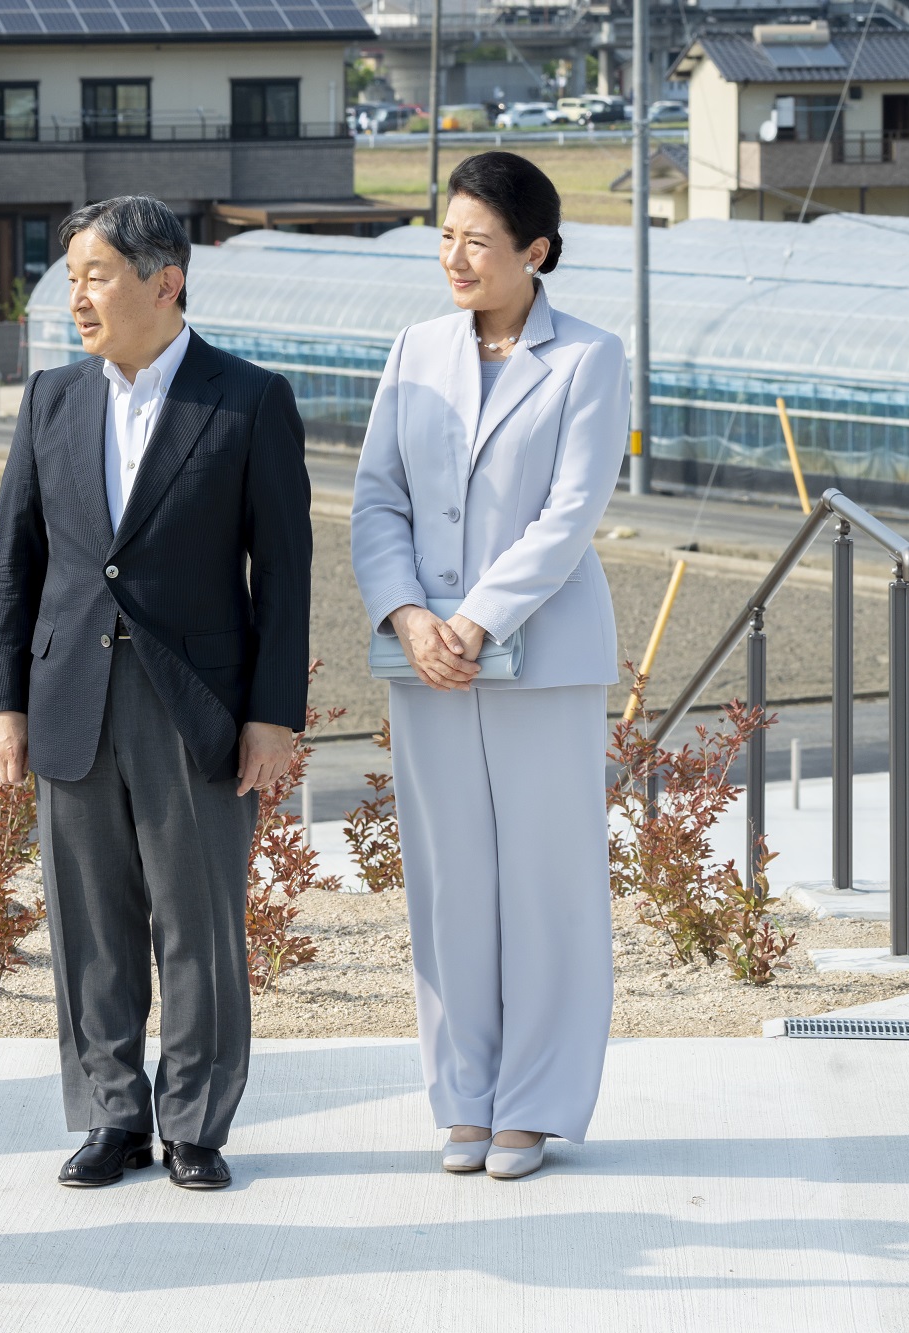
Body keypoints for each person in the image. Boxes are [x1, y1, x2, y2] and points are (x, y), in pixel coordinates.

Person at [0, 195, 312, 1192]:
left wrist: (272, 715)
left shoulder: (248, 399)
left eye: (96, 275)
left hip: (195, 705)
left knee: (197, 925)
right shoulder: (50, 399)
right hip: (69, 695)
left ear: (164, 282)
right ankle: (110, 1115)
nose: (76, 296)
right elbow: (13, 563)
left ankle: (196, 1123)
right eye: (71, 277)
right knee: (90, 924)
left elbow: (284, 575)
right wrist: (2, 701)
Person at [349, 151, 628, 1181]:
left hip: (539, 658)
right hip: (425, 661)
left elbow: (570, 513)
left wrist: (472, 619)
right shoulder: (415, 348)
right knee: (448, 882)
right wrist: (408, 614)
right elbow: (377, 498)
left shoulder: (589, 357)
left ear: (534, 251)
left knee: (547, 884)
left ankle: (535, 1104)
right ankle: (464, 1097)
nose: (454, 257)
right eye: (446, 236)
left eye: (477, 240)